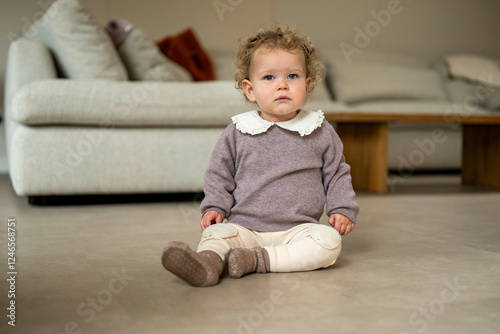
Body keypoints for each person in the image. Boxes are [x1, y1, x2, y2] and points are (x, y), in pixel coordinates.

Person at [161, 24, 359, 287]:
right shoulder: (238, 131)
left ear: (307, 85)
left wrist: (342, 208)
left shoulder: (320, 130)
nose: (282, 86)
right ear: (250, 89)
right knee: (217, 234)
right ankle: (207, 263)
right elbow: (219, 174)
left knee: (328, 244)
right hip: (245, 227)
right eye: (269, 78)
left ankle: (256, 260)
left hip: (298, 230)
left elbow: (337, 174)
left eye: (292, 76)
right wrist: (215, 206)